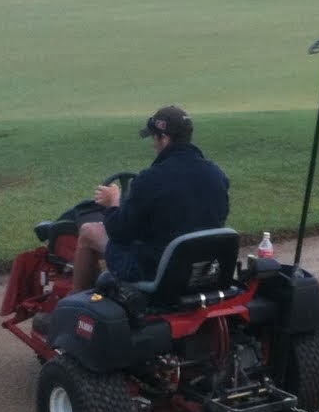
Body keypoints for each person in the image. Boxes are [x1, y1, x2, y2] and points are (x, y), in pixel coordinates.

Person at [73, 105, 230, 291]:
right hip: (202, 266)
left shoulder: (150, 179)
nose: (153, 144)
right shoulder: (217, 174)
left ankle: (76, 299)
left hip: (154, 269)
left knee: (88, 231)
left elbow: (119, 233)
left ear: (164, 138)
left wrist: (112, 203)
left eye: (154, 137)